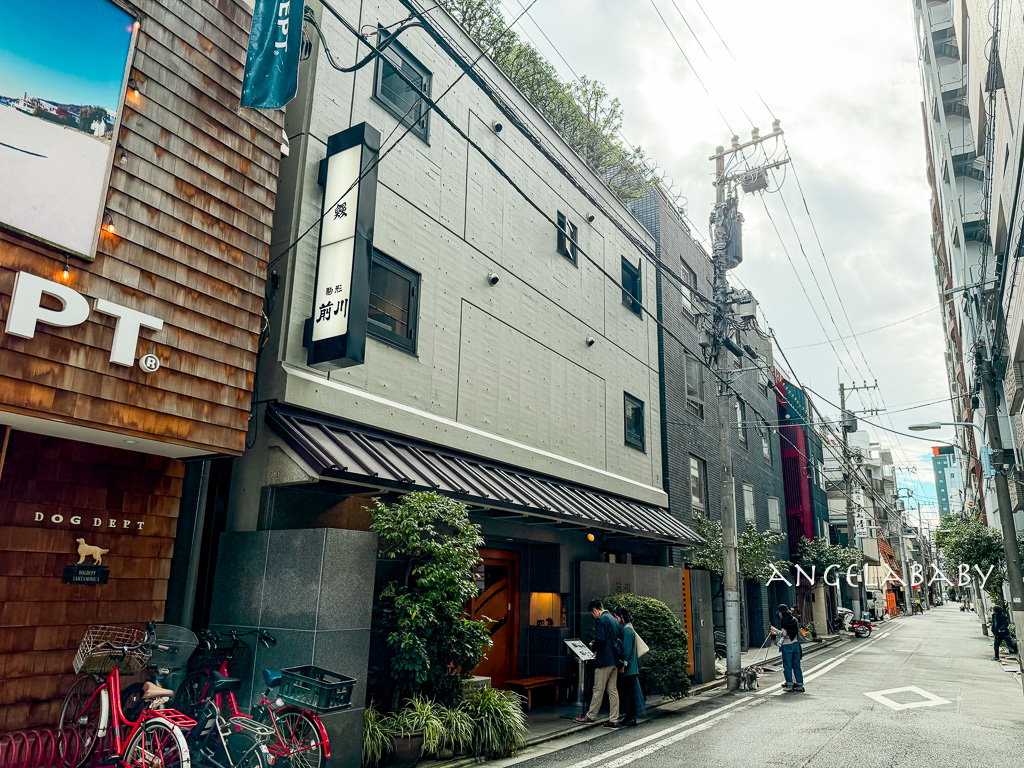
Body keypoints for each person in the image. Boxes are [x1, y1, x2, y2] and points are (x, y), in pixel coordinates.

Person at [575, 599, 621, 726]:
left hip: (604, 660)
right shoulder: (613, 619)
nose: (593, 616)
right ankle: (614, 719)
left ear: (595, 610)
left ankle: (590, 716)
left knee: (598, 689)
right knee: (612, 690)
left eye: (592, 613)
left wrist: (593, 646)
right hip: (615, 660)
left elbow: (600, 639)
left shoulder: (600, 619)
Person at [614, 606, 643, 727]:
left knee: (628, 694)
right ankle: (630, 717)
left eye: (616, 617)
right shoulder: (628, 627)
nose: (616, 620)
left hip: (628, 668)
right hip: (631, 668)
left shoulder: (626, 629)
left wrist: (623, 666)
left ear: (621, 617)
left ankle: (631, 717)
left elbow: (626, 650)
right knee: (629, 693)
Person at [770, 604, 804, 693]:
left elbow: (784, 634)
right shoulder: (794, 619)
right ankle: (799, 684)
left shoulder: (784, 621)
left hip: (787, 645)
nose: (779, 614)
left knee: (787, 666)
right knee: (796, 666)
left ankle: (789, 684)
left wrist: (775, 631)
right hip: (796, 645)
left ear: (781, 612)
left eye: (779, 612)